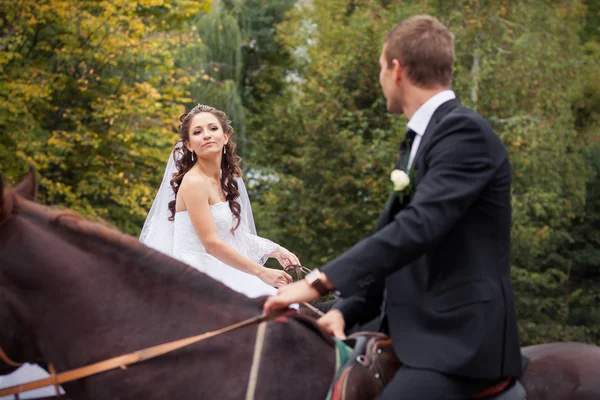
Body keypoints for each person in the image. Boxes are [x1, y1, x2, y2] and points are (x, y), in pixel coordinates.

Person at [264, 14, 523, 399]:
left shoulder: (464, 132)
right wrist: (344, 311)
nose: (381, 78)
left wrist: (316, 283)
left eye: (381, 68)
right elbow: (396, 247)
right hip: (411, 330)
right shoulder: (422, 138)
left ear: (396, 69)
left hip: (459, 341)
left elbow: (417, 228)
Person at [140, 104, 299, 298]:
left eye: (213, 128)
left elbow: (231, 237)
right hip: (198, 276)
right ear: (189, 145)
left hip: (220, 267)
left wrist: (276, 250)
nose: (206, 135)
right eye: (197, 132)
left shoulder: (225, 180)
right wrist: (262, 271)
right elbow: (212, 243)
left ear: (225, 137)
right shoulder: (194, 182)